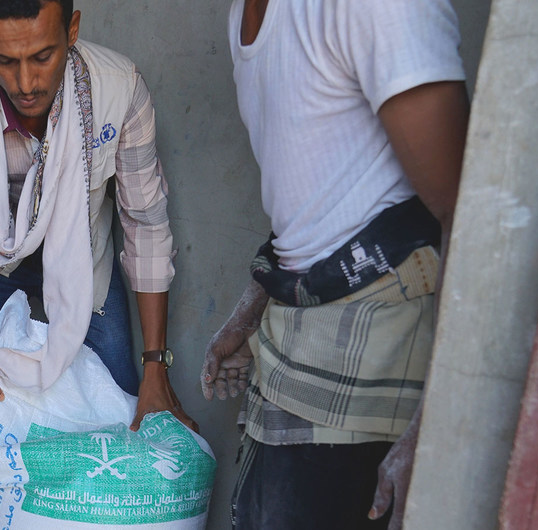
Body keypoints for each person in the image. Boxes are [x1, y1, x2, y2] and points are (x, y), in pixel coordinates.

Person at [0, 1, 196, 527]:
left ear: (72, 29)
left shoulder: (118, 91)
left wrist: (156, 366)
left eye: (42, 57)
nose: (26, 83)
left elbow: (146, 225)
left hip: (78, 266)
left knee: (121, 392)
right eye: (5, 61)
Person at [201, 0, 470, 529]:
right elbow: (317, 198)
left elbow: (469, 215)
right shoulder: (243, 16)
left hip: (378, 359)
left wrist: (437, 424)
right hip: (290, 350)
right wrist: (250, 311)